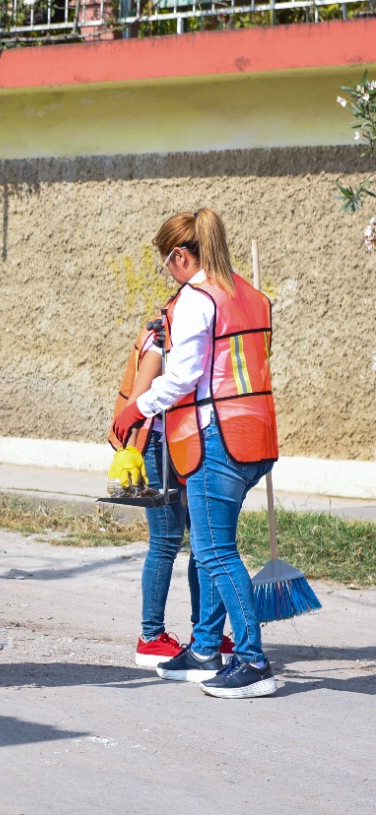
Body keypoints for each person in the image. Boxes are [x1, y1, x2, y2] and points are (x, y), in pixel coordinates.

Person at [112, 208, 280, 699]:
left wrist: (136, 409)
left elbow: (183, 376)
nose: (168, 272)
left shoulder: (195, 298)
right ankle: (206, 648)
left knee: (215, 552)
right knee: (210, 550)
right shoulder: (250, 294)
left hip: (216, 438)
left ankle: (252, 660)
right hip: (256, 437)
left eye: (167, 263)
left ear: (181, 256)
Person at [108, 323, 232, 668]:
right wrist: (128, 454)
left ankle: (204, 633)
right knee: (165, 541)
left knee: (203, 543)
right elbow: (134, 407)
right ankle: (150, 637)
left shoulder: (194, 338)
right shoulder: (159, 345)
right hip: (159, 450)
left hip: (190, 444)